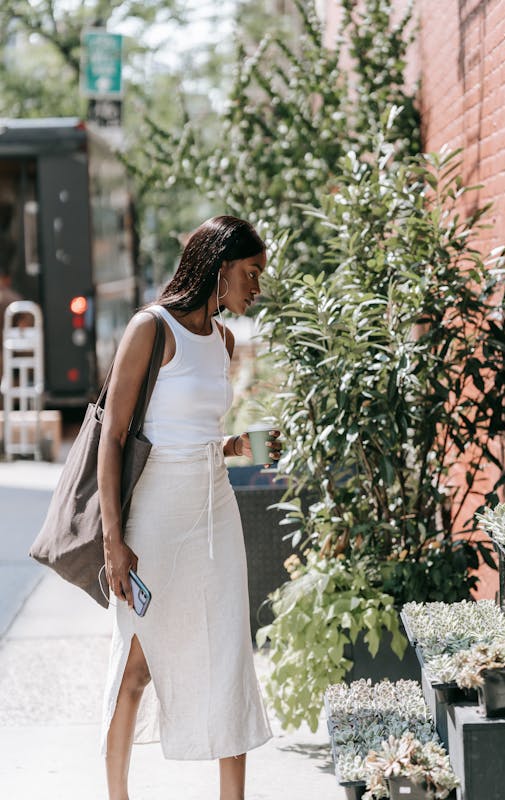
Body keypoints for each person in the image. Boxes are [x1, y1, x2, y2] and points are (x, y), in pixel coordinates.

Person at [97, 215, 281, 800]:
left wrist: (230, 445)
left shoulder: (223, 341)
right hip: (154, 516)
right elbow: (115, 436)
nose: (256, 288)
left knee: (229, 658)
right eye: (251, 274)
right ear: (221, 267)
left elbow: (193, 427)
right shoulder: (150, 329)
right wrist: (112, 541)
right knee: (138, 665)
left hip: (216, 512)